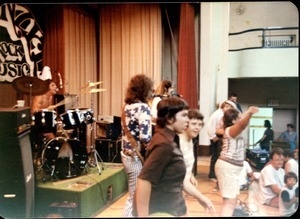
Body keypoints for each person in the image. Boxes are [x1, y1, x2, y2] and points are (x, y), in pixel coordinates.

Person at [135, 97, 189, 217]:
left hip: (172, 208)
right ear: (170, 118)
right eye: (184, 115)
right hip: (163, 210)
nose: (187, 120)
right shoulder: (164, 144)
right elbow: (144, 180)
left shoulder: (168, 139)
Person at [214, 106, 259, 216]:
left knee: (232, 202)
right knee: (229, 203)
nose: (241, 119)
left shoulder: (231, 130)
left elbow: (241, 123)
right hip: (227, 168)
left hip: (232, 168)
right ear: (233, 120)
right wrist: (249, 113)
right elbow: (242, 125)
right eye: (239, 118)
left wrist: (247, 114)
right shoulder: (230, 130)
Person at [120, 74, 153, 217]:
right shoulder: (143, 107)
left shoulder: (127, 106)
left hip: (126, 154)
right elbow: (145, 137)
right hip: (135, 157)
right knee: (134, 197)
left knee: (134, 195)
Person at [179, 108, 215, 214]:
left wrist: (190, 174)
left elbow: (184, 165)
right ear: (185, 124)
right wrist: (201, 198)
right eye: (194, 124)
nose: (197, 127)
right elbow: (181, 180)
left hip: (179, 194)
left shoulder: (190, 141)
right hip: (170, 194)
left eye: (200, 124)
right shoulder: (179, 144)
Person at [30, 66, 58, 166]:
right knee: (51, 138)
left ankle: (48, 161)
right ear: (47, 87)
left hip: (45, 124)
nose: (56, 87)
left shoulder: (50, 98)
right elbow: (33, 111)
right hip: (36, 124)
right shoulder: (39, 96)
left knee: (54, 136)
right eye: (53, 85)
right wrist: (46, 109)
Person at [207, 100, 237, 183]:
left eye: (229, 107)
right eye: (226, 106)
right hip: (217, 138)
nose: (227, 108)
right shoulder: (218, 114)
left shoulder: (224, 115)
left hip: (221, 138)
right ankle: (213, 175)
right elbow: (211, 126)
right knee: (216, 157)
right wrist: (214, 137)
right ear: (223, 106)